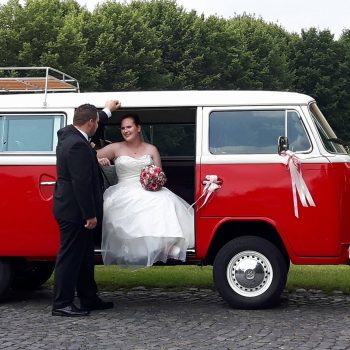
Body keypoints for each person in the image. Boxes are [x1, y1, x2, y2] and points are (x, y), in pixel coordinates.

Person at [97, 113, 194, 267]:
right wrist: (100, 159)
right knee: (133, 205)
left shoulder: (151, 149)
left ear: (138, 128)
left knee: (164, 200)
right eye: (123, 128)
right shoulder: (116, 147)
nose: (125, 131)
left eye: (129, 127)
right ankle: (147, 247)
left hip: (148, 188)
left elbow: (160, 174)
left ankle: (166, 245)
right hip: (124, 189)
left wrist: (154, 181)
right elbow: (88, 155)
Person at [52, 100, 120, 317]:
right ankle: (62, 303)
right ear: (90, 123)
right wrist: (89, 215)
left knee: (84, 256)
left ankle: (88, 297)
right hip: (75, 211)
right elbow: (80, 182)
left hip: (70, 208)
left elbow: (91, 118)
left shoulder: (69, 136)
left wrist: (107, 111)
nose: (98, 124)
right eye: (97, 121)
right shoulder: (77, 145)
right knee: (70, 257)